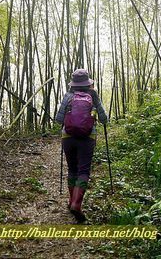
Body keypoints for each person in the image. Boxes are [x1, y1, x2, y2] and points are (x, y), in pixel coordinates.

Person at [55, 69, 108, 223]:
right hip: (87, 137)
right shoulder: (93, 95)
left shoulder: (68, 95)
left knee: (72, 169)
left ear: (73, 83)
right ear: (87, 82)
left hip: (68, 137)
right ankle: (77, 204)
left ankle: (72, 201)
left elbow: (59, 119)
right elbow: (104, 118)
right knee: (83, 170)